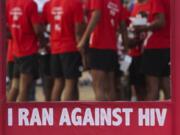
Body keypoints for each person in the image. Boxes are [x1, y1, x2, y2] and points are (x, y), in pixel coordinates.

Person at [78, 0, 128, 101]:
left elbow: (97, 14)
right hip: (111, 48)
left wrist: (83, 39)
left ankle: (101, 115)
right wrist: (126, 46)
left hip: (98, 45)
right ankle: (112, 114)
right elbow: (123, 25)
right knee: (110, 87)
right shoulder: (117, 2)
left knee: (98, 86)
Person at [42, 0, 84, 101]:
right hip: (70, 48)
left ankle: (55, 112)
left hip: (55, 48)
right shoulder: (75, 3)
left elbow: (44, 25)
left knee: (58, 82)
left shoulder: (48, 4)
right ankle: (67, 112)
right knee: (71, 82)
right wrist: (83, 52)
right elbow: (78, 30)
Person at [6, 0, 43, 102]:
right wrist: (43, 43)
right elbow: (38, 30)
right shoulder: (30, 4)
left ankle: (5, 115)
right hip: (28, 51)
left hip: (15, 52)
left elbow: (6, 29)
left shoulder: (10, 3)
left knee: (15, 87)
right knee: (25, 89)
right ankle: (19, 115)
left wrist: (16, 35)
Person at [134, 0, 170, 100]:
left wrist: (144, 28)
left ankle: (149, 115)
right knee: (166, 85)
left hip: (155, 47)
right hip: (168, 45)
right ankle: (173, 114)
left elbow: (161, 22)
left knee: (152, 88)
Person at [127, 0, 150, 100]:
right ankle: (141, 109)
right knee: (138, 85)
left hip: (148, 52)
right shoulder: (133, 6)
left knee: (150, 86)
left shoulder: (152, 4)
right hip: (134, 53)